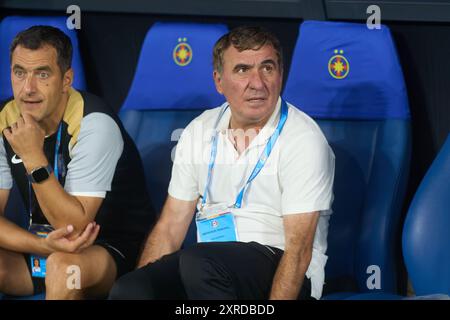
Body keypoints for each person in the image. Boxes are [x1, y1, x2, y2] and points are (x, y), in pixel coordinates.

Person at [109, 26, 335, 300]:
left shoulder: (303, 139)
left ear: (281, 74)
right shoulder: (199, 130)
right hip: (209, 269)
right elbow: (170, 227)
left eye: (267, 68)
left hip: (282, 267)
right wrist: (147, 281)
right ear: (219, 81)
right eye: (242, 70)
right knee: (131, 289)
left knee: (200, 263)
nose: (258, 83)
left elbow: (299, 251)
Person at [0, 25, 155, 299]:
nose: (28, 89)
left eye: (43, 74)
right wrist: (44, 247)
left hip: (110, 251)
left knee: (64, 268)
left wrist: (33, 157)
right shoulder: (5, 118)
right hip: (47, 248)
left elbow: (73, 227)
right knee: (55, 259)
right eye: (19, 73)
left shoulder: (94, 123)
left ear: (66, 79)